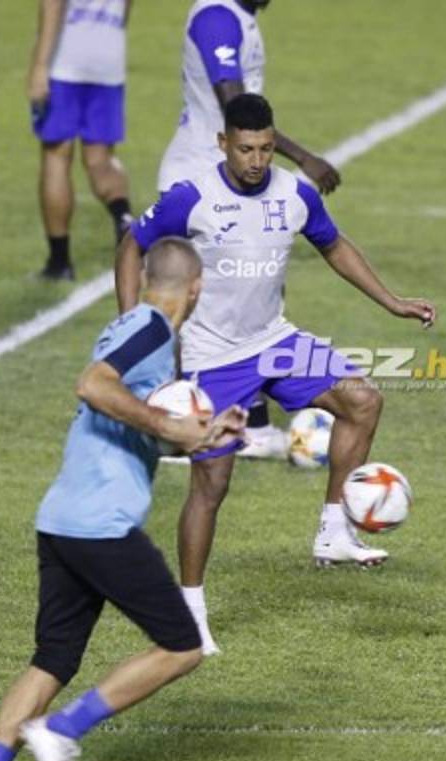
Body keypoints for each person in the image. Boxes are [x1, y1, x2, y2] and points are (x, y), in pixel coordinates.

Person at [118, 94, 437, 654]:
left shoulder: (293, 192)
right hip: (213, 357)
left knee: (363, 401)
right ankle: (189, 612)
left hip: (274, 341)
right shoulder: (192, 199)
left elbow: (334, 245)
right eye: (246, 149)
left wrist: (392, 301)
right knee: (211, 485)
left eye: (266, 148)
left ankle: (335, 532)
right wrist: (134, 329)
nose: (257, 160)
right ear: (224, 144)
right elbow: (131, 246)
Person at [0, 239, 246, 761]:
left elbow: (127, 418)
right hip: (100, 526)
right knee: (183, 646)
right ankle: (61, 731)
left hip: (62, 518)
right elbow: (92, 385)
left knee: (53, 658)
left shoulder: (137, 328)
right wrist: (166, 424)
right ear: (197, 287)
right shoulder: (153, 329)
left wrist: (200, 433)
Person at [159, 0, 342, 457]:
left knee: (251, 300)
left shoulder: (241, 16)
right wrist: (302, 157)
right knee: (190, 310)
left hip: (234, 182)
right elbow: (236, 111)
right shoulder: (217, 18)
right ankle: (171, 423)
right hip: (204, 180)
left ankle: (249, 424)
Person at [28, 0, 136, 281]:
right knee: (100, 158)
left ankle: (59, 261)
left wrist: (40, 66)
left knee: (57, 154)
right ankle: (124, 219)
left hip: (66, 59)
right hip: (109, 57)